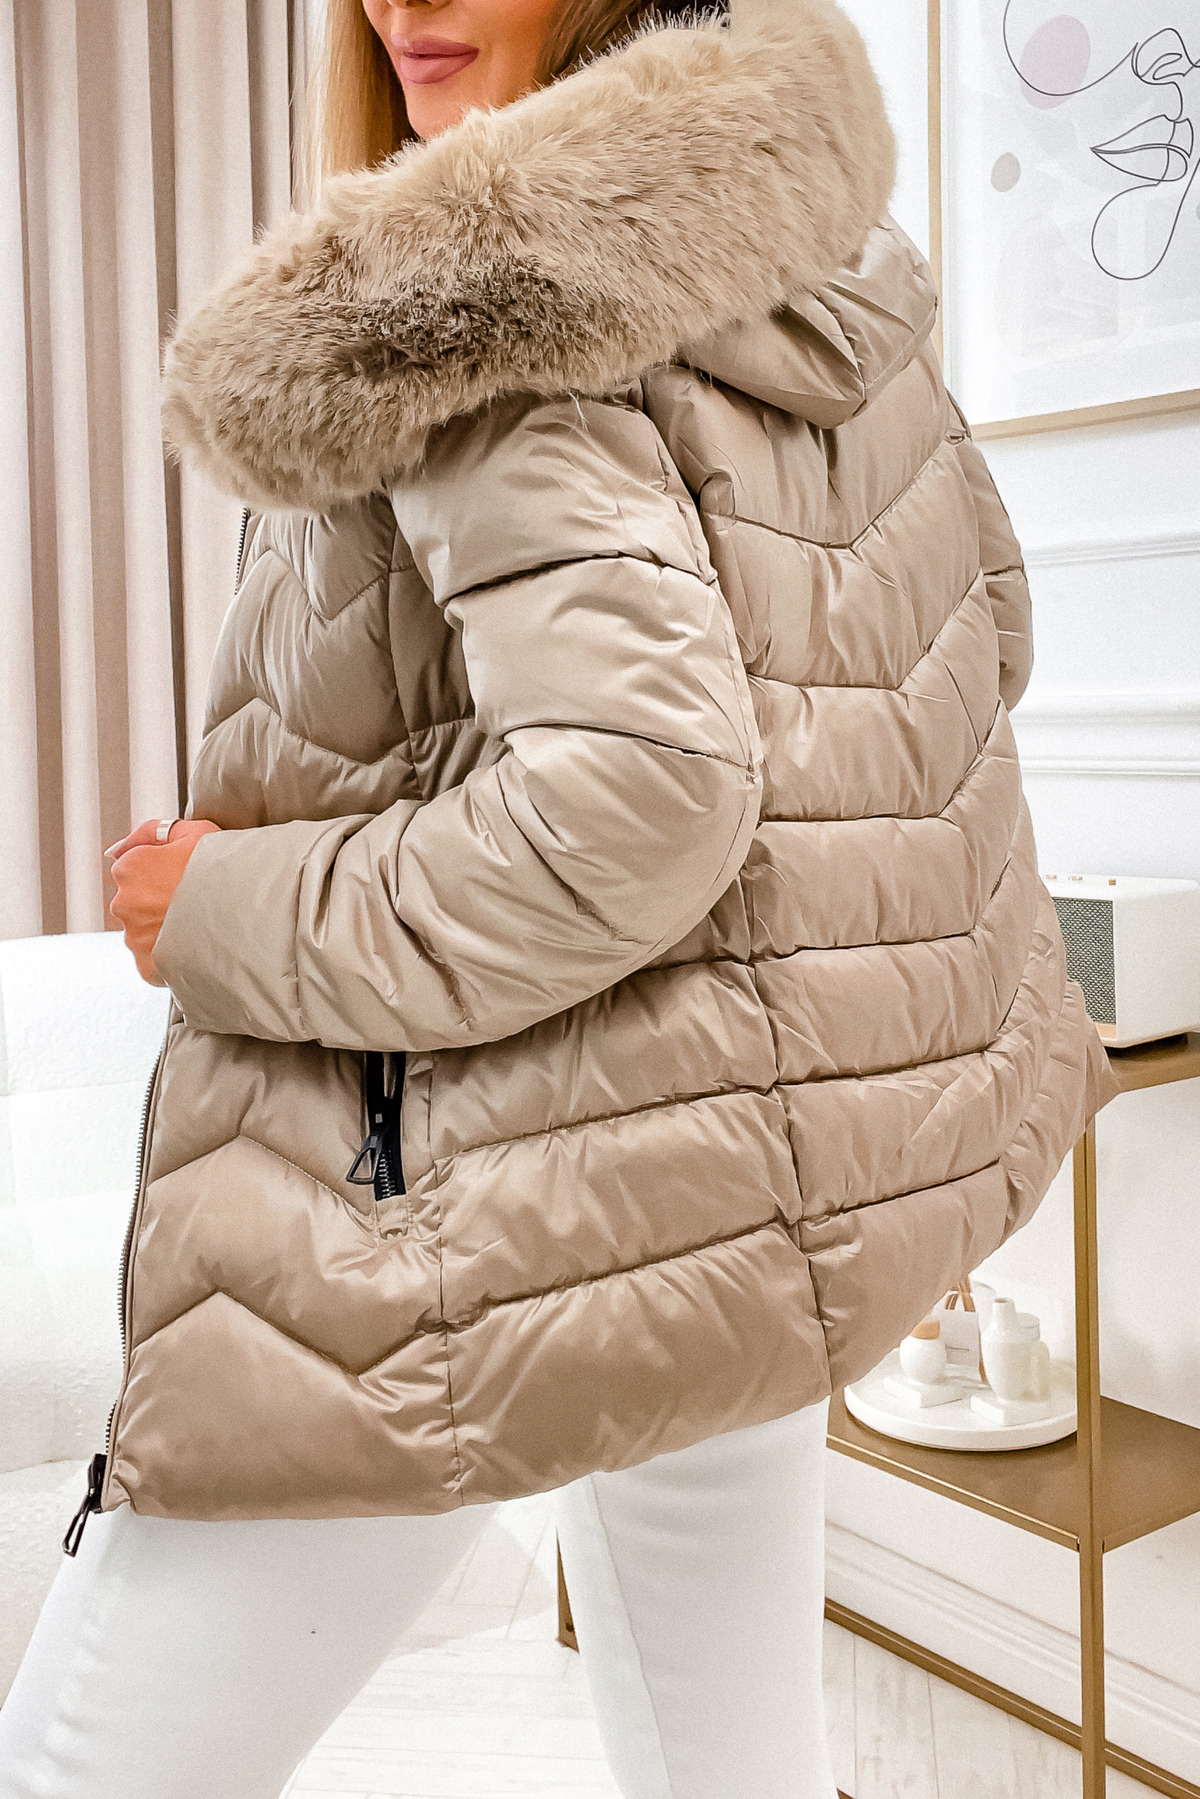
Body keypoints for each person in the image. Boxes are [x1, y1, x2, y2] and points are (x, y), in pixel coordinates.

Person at [0, 1, 1114, 1795]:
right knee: (730, 1769)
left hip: (492, 1217)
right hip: (751, 1187)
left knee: (82, 1770)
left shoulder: (473, 293)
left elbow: (638, 801)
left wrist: (217, 905)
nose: (406, 1)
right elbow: (988, 631)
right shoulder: (821, 254)